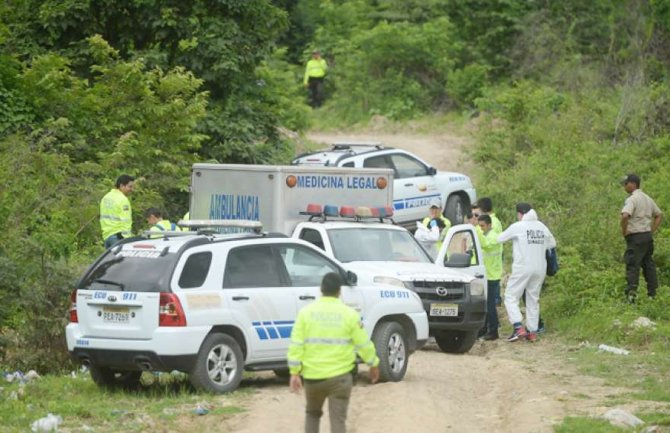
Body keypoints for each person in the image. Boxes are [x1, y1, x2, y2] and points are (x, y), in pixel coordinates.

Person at [287, 273, 380, 433]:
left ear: (321, 289)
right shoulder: (350, 314)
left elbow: (296, 345)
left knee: (312, 414)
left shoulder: (305, 313)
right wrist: (373, 364)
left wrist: (294, 372)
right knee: (338, 421)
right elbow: (363, 343)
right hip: (341, 378)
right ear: (339, 291)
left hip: (313, 378)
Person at [497, 203, 556, 342]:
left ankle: (518, 327)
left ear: (520, 214)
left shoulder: (518, 226)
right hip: (540, 268)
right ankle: (532, 332)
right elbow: (552, 244)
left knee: (510, 296)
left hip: (523, 267)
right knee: (533, 299)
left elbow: (499, 239)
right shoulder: (542, 226)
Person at [620, 174, 663, 302]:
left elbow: (625, 216)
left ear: (633, 184)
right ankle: (653, 295)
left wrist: (624, 231)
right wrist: (651, 230)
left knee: (633, 265)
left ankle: (631, 297)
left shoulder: (632, 199)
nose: (624, 186)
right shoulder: (647, 198)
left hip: (635, 237)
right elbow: (659, 214)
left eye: (626, 183)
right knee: (648, 265)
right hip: (647, 237)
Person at [476, 214, 503, 340]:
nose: (481, 228)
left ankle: (493, 331)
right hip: (486, 275)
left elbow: (486, 245)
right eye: (479, 226)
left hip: (492, 276)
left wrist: (475, 230)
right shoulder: (486, 235)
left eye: (482, 226)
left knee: (490, 305)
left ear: (489, 225)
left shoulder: (493, 237)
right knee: (485, 304)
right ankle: (484, 329)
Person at [100, 174, 135, 248]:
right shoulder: (123, 200)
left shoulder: (106, 197)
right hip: (118, 237)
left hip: (107, 236)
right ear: (122, 186)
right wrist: (127, 239)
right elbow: (126, 221)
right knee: (121, 259)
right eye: (130, 186)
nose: (132, 189)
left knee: (110, 259)